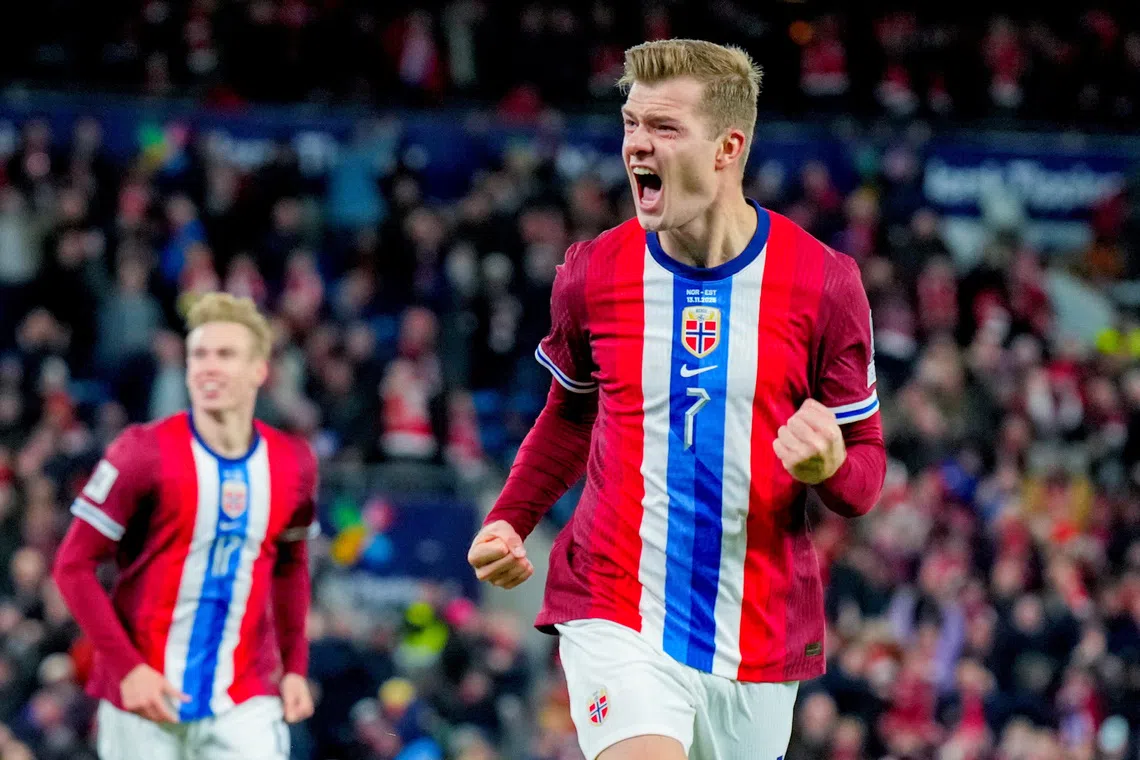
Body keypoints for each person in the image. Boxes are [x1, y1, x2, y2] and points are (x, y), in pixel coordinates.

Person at [467, 39, 886, 760]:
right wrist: (511, 516)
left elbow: (866, 474)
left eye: (664, 129)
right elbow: (572, 411)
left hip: (755, 632)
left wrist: (829, 467)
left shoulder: (823, 284)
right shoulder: (592, 273)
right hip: (614, 603)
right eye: (631, 123)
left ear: (728, 147)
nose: (636, 145)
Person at [52, 292, 318, 759]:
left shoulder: (294, 464)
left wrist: (294, 667)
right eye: (199, 354)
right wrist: (127, 667)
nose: (208, 367)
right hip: (145, 698)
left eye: (225, 354)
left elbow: (291, 567)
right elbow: (72, 566)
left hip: (245, 697)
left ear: (259, 369)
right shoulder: (141, 452)